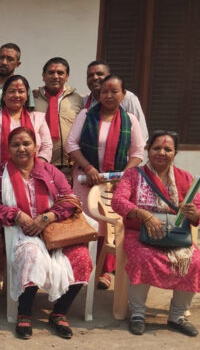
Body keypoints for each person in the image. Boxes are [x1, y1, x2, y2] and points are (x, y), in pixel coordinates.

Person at [0, 127, 93, 340]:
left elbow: (69, 199)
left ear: (35, 146)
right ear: (8, 148)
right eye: (16, 145)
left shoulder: (49, 170)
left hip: (55, 229)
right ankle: (24, 313)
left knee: (82, 257)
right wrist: (17, 215)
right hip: (22, 232)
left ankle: (59, 313)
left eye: (26, 144)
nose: (21, 149)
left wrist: (48, 217)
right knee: (32, 255)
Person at [111, 131, 200, 337]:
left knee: (195, 261)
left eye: (168, 149)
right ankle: (138, 315)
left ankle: (177, 316)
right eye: (156, 148)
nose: (161, 153)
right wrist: (143, 214)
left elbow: (197, 207)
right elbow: (118, 200)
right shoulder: (133, 175)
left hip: (176, 236)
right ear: (148, 150)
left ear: (175, 153)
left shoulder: (185, 178)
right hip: (138, 234)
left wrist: (193, 213)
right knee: (143, 258)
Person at [65, 75, 145, 289]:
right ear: (98, 94)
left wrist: (124, 176)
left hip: (115, 184)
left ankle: (104, 271)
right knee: (85, 224)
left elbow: (137, 153)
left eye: (114, 91)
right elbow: (71, 145)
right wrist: (89, 168)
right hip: (86, 180)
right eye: (104, 92)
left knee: (109, 225)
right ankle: (80, 269)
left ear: (123, 94)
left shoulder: (130, 120)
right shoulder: (85, 115)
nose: (109, 95)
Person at [0, 75, 52, 177]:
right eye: (12, 91)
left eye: (21, 91)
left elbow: (47, 147)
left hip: (33, 176)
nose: (16, 95)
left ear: (27, 96)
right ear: (4, 96)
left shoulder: (38, 118)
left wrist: (34, 170)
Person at [32, 57, 83, 178]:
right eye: (51, 72)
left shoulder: (77, 99)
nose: (55, 76)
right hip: (39, 163)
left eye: (60, 73)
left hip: (69, 166)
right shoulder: (33, 99)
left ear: (67, 76)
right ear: (43, 76)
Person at [82, 61, 149, 141]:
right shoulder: (83, 101)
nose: (95, 78)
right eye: (90, 75)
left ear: (109, 77)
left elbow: (141, 135)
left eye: (99, 74)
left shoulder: (128, 99)